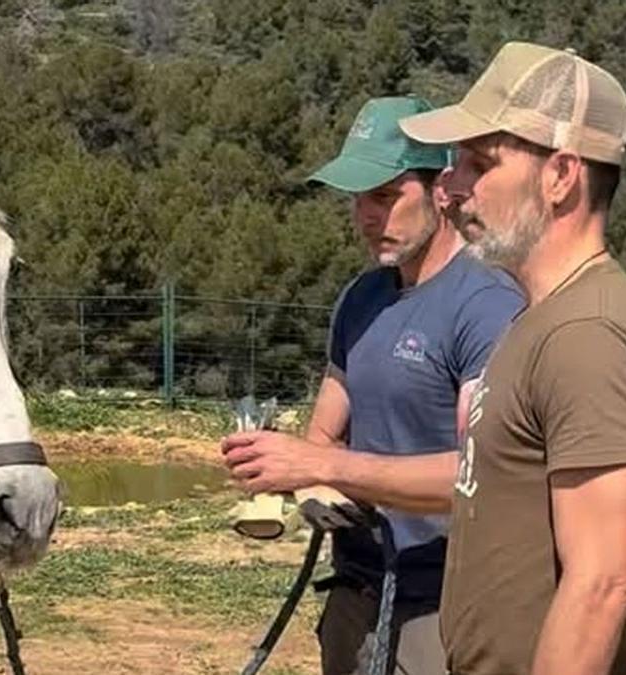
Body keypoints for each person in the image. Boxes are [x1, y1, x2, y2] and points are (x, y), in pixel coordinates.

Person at [397, 41, 626, 675]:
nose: (451, 188)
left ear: (560, 176)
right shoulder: (542, 318)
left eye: (478, 163)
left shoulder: (589, 337)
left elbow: (603, 586)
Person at [222, 96, 524, 674]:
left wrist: (324, 469)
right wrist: (295, 477)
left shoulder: (486, 306)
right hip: (355, 594)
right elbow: (325, 434)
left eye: (386, 196)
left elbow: (478, 476)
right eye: (358, 198)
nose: (366, 215)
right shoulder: (361, 298)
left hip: (443, 607)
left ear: (441, 189)